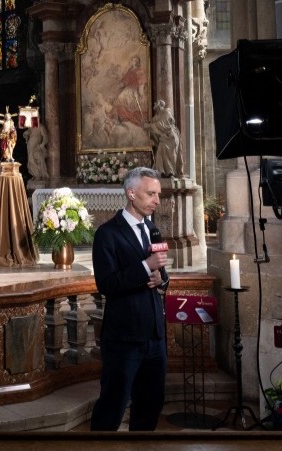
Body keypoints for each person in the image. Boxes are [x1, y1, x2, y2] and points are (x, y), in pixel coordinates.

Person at [90, 167, 170, 431]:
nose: (157, 200)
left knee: (150, 405)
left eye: (158, 194)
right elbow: (107, 284)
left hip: (155, 337)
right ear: (131, 193)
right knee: (112, 406)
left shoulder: (153, 230)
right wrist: (146, 267)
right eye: (151, 194)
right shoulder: (107, 233)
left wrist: (162, 280)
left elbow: (162, 274)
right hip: (124, 337)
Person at [145, 100, 182, 177]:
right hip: (164, 138)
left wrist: (149, 126)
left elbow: (162, 124)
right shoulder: (158, 116)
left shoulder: (166, 112)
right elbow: (152, 122)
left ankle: (171, 172)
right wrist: (146, 124)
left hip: (170, 137)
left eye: (157, 106)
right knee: (160, 154)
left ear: (160, 106)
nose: (156, 108)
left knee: (170, 155)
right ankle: (162, 172)